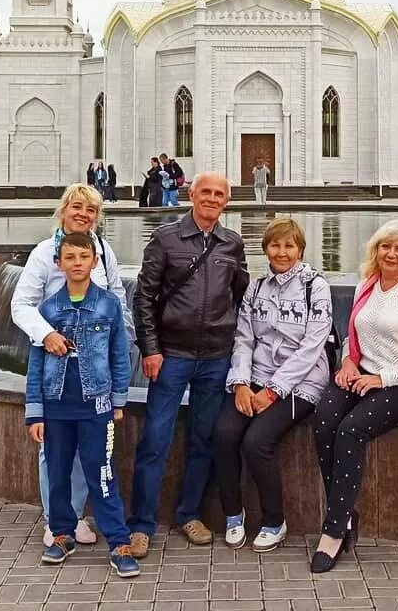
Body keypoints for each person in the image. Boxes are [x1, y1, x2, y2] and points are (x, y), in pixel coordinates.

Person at [311, 221, 398, 574]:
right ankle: (346, 512)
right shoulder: (365, 287)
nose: (392, 254)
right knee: (324, 421)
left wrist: (380, 378)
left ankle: (334, 530)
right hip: (363, 374)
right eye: (386, 246)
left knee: (351, 430)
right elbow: (353, 338)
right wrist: (349, 363)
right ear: (376, 250)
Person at [129, 173, 249, 558]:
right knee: (155, 440)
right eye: (206, 192)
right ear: (191, 195)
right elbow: (144, 298)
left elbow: (241, 298)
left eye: (219, 194)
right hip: (173, 356)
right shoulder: (166, 239)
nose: (212, 199)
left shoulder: (232, 243)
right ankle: (142, 524)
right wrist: (150, 348)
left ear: (226, 201)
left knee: (204, 440)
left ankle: (189, 513)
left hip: (216, 357)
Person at [12, 184, 134, 550]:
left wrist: (123, 341)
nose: (83, 214)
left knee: (88, 452)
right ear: (64, 209)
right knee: (55, 451)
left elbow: (116, 298)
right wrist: (46, 334)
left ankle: (75, 515)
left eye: (91, 210)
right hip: (56, 366)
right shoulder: (41, 254)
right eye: (77, 207)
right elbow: (21, 305)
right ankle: (56, 520)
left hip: (94, 373)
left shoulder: (102, 251)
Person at [25, 232, 140, 578]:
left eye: (83, 257)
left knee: (102, 474)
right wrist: (35, 412)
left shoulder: (109, 305)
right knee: (58, 474)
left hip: (96, 407)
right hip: (57, 407)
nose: (77, 263)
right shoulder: (47, 310)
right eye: (70, 257)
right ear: (58, 264)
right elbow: (35, 364)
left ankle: (119, 542)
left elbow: (120, 353)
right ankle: (62, 534)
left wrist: (118, 399)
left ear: (94, 261)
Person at [215, 217, 332, 553]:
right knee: (224, 434)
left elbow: (312, 346)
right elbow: (244, 338)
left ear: (300, 250)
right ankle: (233, 514)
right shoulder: (257, 288)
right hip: (255, 377)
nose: (282, 252)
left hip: (300, 383)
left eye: (289, 245)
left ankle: (274, 521)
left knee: (256, 442)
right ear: (265, 248)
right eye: (275, 245)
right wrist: (240, 383)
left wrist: (274, 390)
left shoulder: (315, 286)